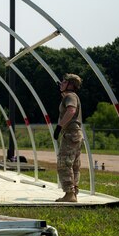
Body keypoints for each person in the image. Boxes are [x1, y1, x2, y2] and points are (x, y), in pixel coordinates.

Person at [53, 73, 83, 202]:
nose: (61, 84)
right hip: (75, 134)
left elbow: (71, 110)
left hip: (71, 133)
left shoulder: (70, 96)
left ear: (71, 85)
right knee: (74, 164)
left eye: (64, 82)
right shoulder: (70, 96)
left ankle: (69, 193)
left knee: (64, 163)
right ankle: (73, 193)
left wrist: (59, 126)